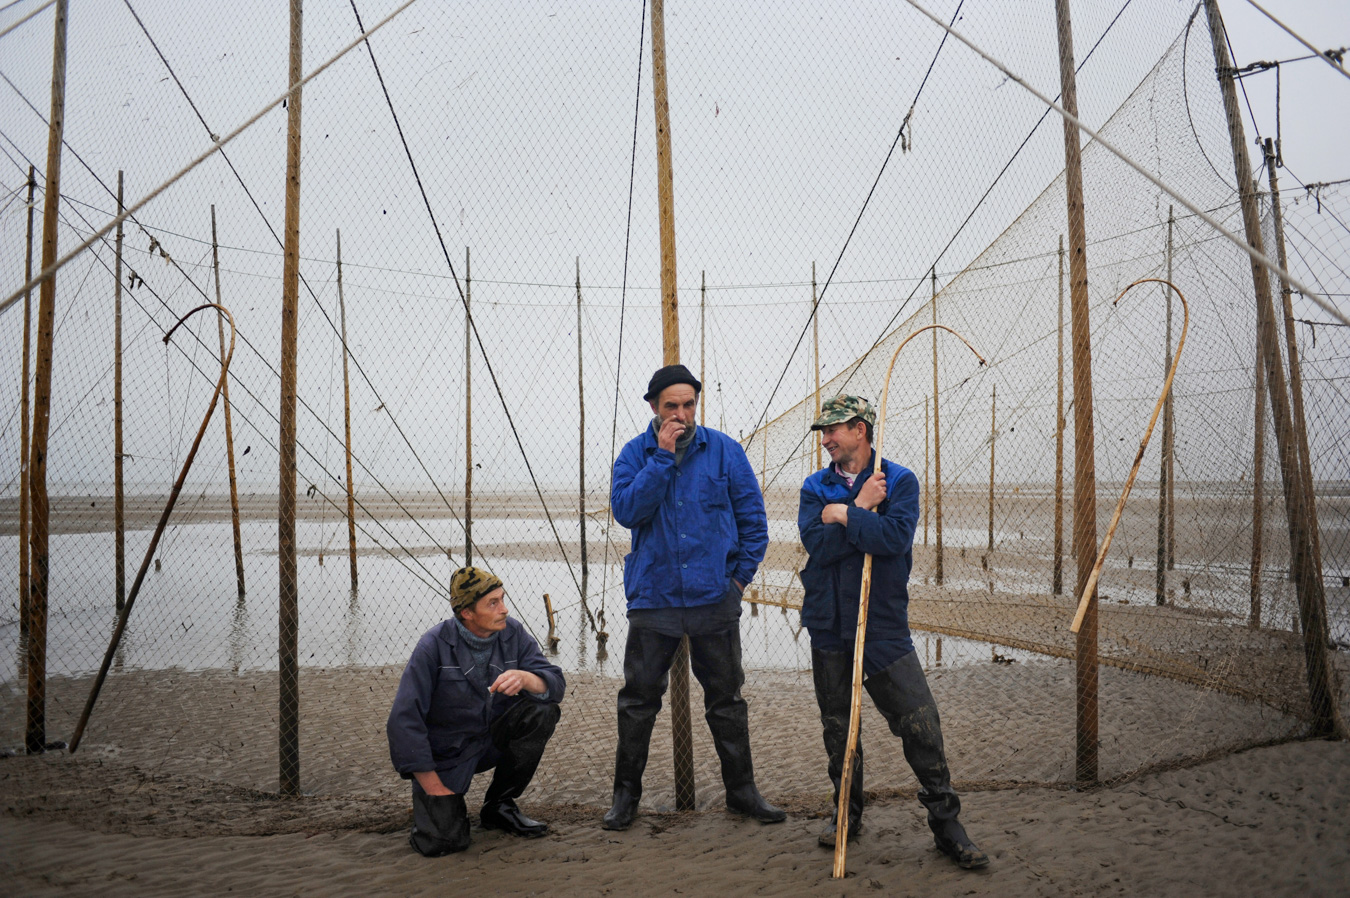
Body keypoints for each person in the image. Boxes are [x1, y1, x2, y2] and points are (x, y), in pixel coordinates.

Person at [797, 394, 988, 869]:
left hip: (881, 626)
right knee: (839, 729)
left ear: (860, 429)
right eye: (823, 432)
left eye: (833, 430)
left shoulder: (899, 481)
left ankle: (947, 824)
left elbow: (894, 540)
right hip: (828, 626)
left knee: (920, 722)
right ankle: (846, 814)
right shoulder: (814, 486)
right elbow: (815, 547)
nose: (826, 440)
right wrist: (859, 506)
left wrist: (843, 515)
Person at [602, 363, 784, 830]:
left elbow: (754, 523)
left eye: (688, 405)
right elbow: (626, 511)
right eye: (671, 406)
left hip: (713, 600)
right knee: (638, 702)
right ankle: (625, 798)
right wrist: (661, 458)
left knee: (726, 701)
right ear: (653, 408)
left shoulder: (724, 451)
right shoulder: (633, 454)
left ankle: (742, 794)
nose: (681, 415)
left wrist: (737, 583)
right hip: (654, 599)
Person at [387, 566, 565, 856]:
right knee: (444, 844)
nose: (505, 609)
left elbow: (555, 683)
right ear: (467, 613)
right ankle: (441, 806)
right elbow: (404, 721)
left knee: (541, 711)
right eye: (493, 603)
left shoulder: (514, 633)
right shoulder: (432, 646)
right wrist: (433, 788)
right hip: (448, 755)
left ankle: (500, 806)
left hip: (491, 741)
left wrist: (526, 678)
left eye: (503, 598)